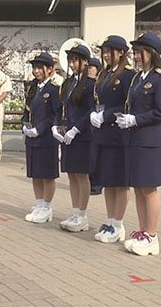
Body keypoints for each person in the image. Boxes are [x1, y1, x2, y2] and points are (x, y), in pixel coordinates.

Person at [117, 32, 161, 256]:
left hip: (149, 140)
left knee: (149, 189)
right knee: (138, 187)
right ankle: (142, 231)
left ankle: (152, 235)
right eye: (136, 52)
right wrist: (126, 119)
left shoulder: (160, 79)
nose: (137, 56)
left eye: (141, 51)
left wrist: (135, 120)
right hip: (134, 139)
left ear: (152, 53)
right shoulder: (139, 78)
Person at [89, 35, 135, 244]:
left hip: (118, 134)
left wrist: (105, 116)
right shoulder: (104, 74)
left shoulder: (127, 75)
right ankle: (110, 220)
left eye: (110, 51)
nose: (106, 55)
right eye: (104, 51)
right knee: (108, 181)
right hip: (104, 134)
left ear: (121, 53)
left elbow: (127, 105)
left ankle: (118, 223)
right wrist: (95, 114)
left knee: (120, 181)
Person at [53, 44, 95, 232]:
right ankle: (75, 211)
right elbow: (63, 107)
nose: (72, 64)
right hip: (68, 134)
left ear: (85, 61)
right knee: (71, 174)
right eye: (70, 60)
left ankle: (83, 215)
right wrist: (57, 126)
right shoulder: (68, 83)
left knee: (81, 174)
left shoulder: (90, 84)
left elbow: (90, 111)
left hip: (83, 134)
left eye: (76, 60)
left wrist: (76, 129)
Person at [22, 52, 60, 224]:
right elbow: (26, 110)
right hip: (32, 137)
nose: (36, 71)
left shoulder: (53, 90)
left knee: (47, 174)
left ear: (50, 69)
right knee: (35, 173)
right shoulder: (32, 87)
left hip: (46, 138)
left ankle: (46, 206)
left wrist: (40, 129)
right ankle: (39, 203)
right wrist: (25, 125)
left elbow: (55, 115)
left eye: (39, 68)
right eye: (34, 68)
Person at [87, 57, 104, 196]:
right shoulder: (87, 83)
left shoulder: (100, 83)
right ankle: (90, 181)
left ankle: (97, 184)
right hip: (89, 121)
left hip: (100, 121)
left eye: (91, 67)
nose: (89, 70)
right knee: (90, 155)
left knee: (97, 155)